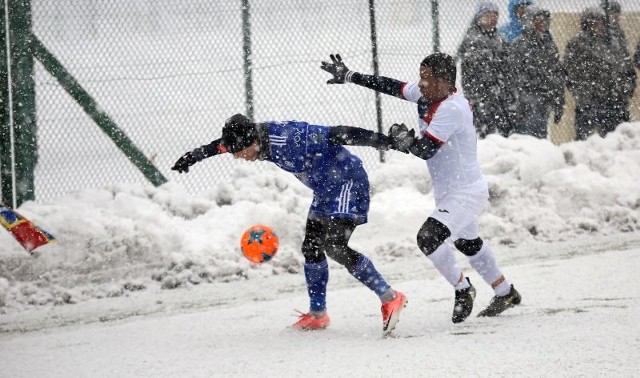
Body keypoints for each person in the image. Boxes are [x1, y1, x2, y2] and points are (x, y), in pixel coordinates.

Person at [321, 52, 521, 322]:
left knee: (428, 238)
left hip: (467, 191)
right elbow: (393, 86)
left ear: (446, 82)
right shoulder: (430, 93)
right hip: (449, 191)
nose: (421, 84)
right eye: (421, 77)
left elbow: (426, 149)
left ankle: (463, 289)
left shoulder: (452, 108)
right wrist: (350, 76)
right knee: (467, 242)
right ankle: (505, 292)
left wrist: (405, 141)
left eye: (427, 79)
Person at [171, 114, 407, 336]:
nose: (237, 156)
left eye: (239, 151)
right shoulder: (249, 140)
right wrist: (193, 156)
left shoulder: (290, 137)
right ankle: (318, 315)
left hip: (347, 181)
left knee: (334, 245)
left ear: (252, 140)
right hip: (325, 190)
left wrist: (386, 142)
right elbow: (220, 146)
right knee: (311, 248)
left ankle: (390, 297)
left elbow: (339, 134)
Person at [564, 7, 635, 140]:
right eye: (594, 23)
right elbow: (570, 73)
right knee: (584, 140)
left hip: (613, 101)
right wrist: (584, 93)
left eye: (601, 22)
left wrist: (623, 90)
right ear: (586, 24)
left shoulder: (613, 42)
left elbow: (626, 68)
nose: (598, 26)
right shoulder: (577, 44)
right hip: (588, 102)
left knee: (614, 140)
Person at [456, 1, 514, 138]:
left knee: (503, 132)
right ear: (479, 18)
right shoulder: (472, 40)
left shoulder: (500, 39)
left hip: (500, 97)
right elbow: (468, 73)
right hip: (480, 97)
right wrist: (473, 96)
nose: (492, 18)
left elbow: (508, 69)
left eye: (495, 15)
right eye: (488, 15)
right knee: (484, 132)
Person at [509, 6, 565, 138]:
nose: (542, 24)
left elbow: (557, 74)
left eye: (545, 21)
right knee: (527, 138)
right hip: (526, 103)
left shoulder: (549, 45)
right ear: (529, 22)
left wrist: (558, 103)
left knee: (540, 137)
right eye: (538, 21)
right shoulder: (520, 45)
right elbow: (513, 76)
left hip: (544, 103)